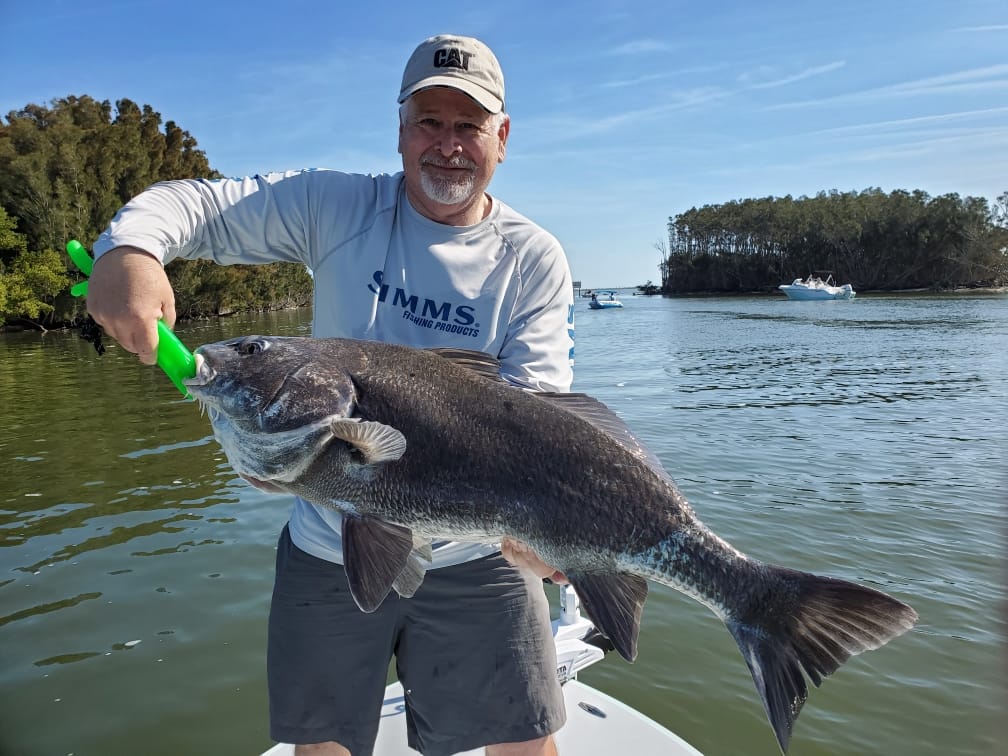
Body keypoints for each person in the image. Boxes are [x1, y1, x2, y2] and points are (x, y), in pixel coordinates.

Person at [87, 34, 574, 756]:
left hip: (477, 560)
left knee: (526, 746)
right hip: (327, 546)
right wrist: (127, 253)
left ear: (501, 138)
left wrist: (557, 528)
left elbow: (536, 418)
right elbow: (195, 204)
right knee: (320, 747)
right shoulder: (337, 206)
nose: (447, 145)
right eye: (429, 123)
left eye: (468, 126)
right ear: (400, 130)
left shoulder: (533, 259)